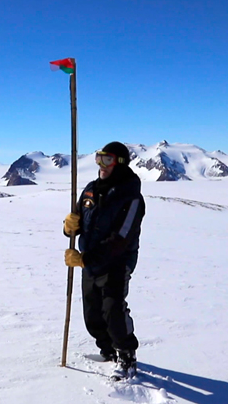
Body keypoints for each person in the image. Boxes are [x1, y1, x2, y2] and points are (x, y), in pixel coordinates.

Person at [63, 141, 145, 378]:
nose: (101, 164)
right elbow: (78, 221)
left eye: (107, 159)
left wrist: (85, 259)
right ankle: (108, 351)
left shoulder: (131, 198)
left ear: (119, 163)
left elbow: (121, 239)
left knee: (113, 311)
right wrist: (69, 227)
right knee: (92, 315)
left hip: (117, 263)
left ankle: (126, 355)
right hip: (89, 261)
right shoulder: (90, 190)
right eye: (99, 158)